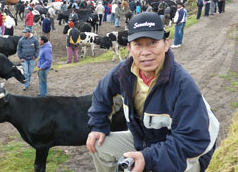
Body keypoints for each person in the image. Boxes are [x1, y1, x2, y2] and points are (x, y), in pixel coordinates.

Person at [86, 12, 219, 172]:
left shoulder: (183, 85)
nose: (145, 52)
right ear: (129, 48)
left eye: (153, 43)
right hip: (147, 139)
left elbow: (191, 141)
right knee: (100, 146)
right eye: (138, 44)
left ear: (166, 44)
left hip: (190, 151)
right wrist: (98, 126)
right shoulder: (123, 72)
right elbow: (102, 94)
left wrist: (148, 158)